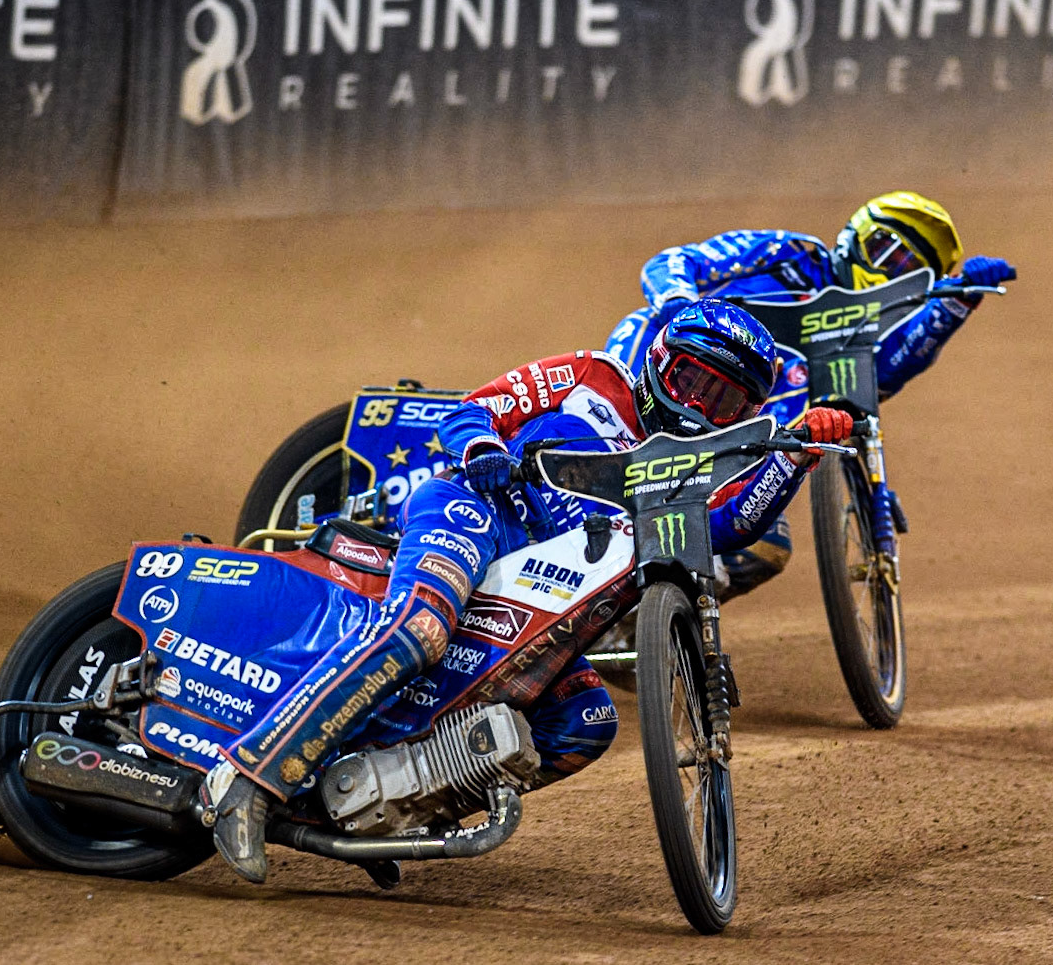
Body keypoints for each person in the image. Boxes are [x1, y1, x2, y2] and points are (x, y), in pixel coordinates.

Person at [206, 300, 854, 882]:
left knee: (586, 722)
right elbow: (475, 409)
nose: (700, 409)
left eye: (726, 403)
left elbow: (729, 525)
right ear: (659, 361)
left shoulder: (706, 464)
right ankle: (248, 778)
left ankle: (389, 811)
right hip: (477, 513)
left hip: (546, 604)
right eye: (692, 381)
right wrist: (484, 445)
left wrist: (793, 460)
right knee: (420, 629)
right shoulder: (589, 376)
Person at [604, 191, 1017, 598]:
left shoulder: (866, 336)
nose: (891, 272)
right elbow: (675, 262)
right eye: (885, 252)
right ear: (854, 238)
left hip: (730, 430)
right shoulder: (794, 253)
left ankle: (653, 622)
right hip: (655, 367)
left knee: (764, 549)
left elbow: (883, 375)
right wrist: (679, 305)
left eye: (908, 269)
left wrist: (954, 304)